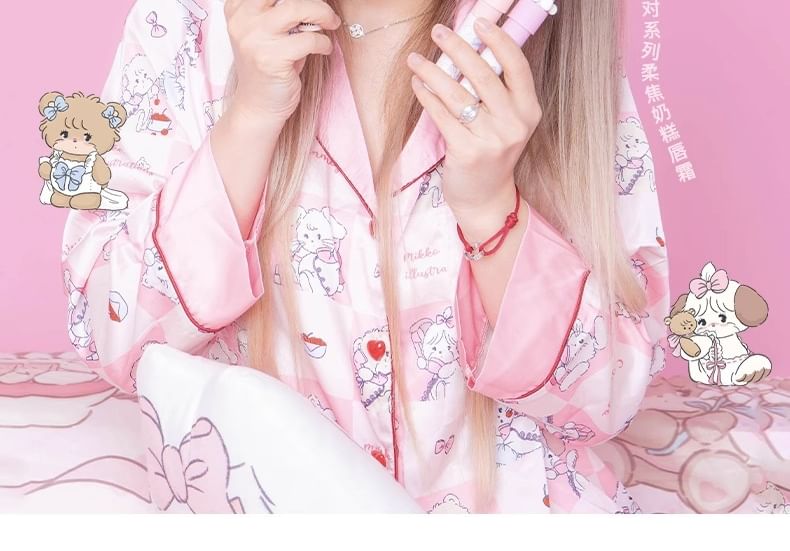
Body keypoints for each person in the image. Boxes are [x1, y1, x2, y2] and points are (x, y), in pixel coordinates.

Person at [61, 0, 669, 513]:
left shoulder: (543, 47)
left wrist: (493, 212)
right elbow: (113, 336)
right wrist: (248, 121)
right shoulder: (189, 26)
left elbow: (607, 396)